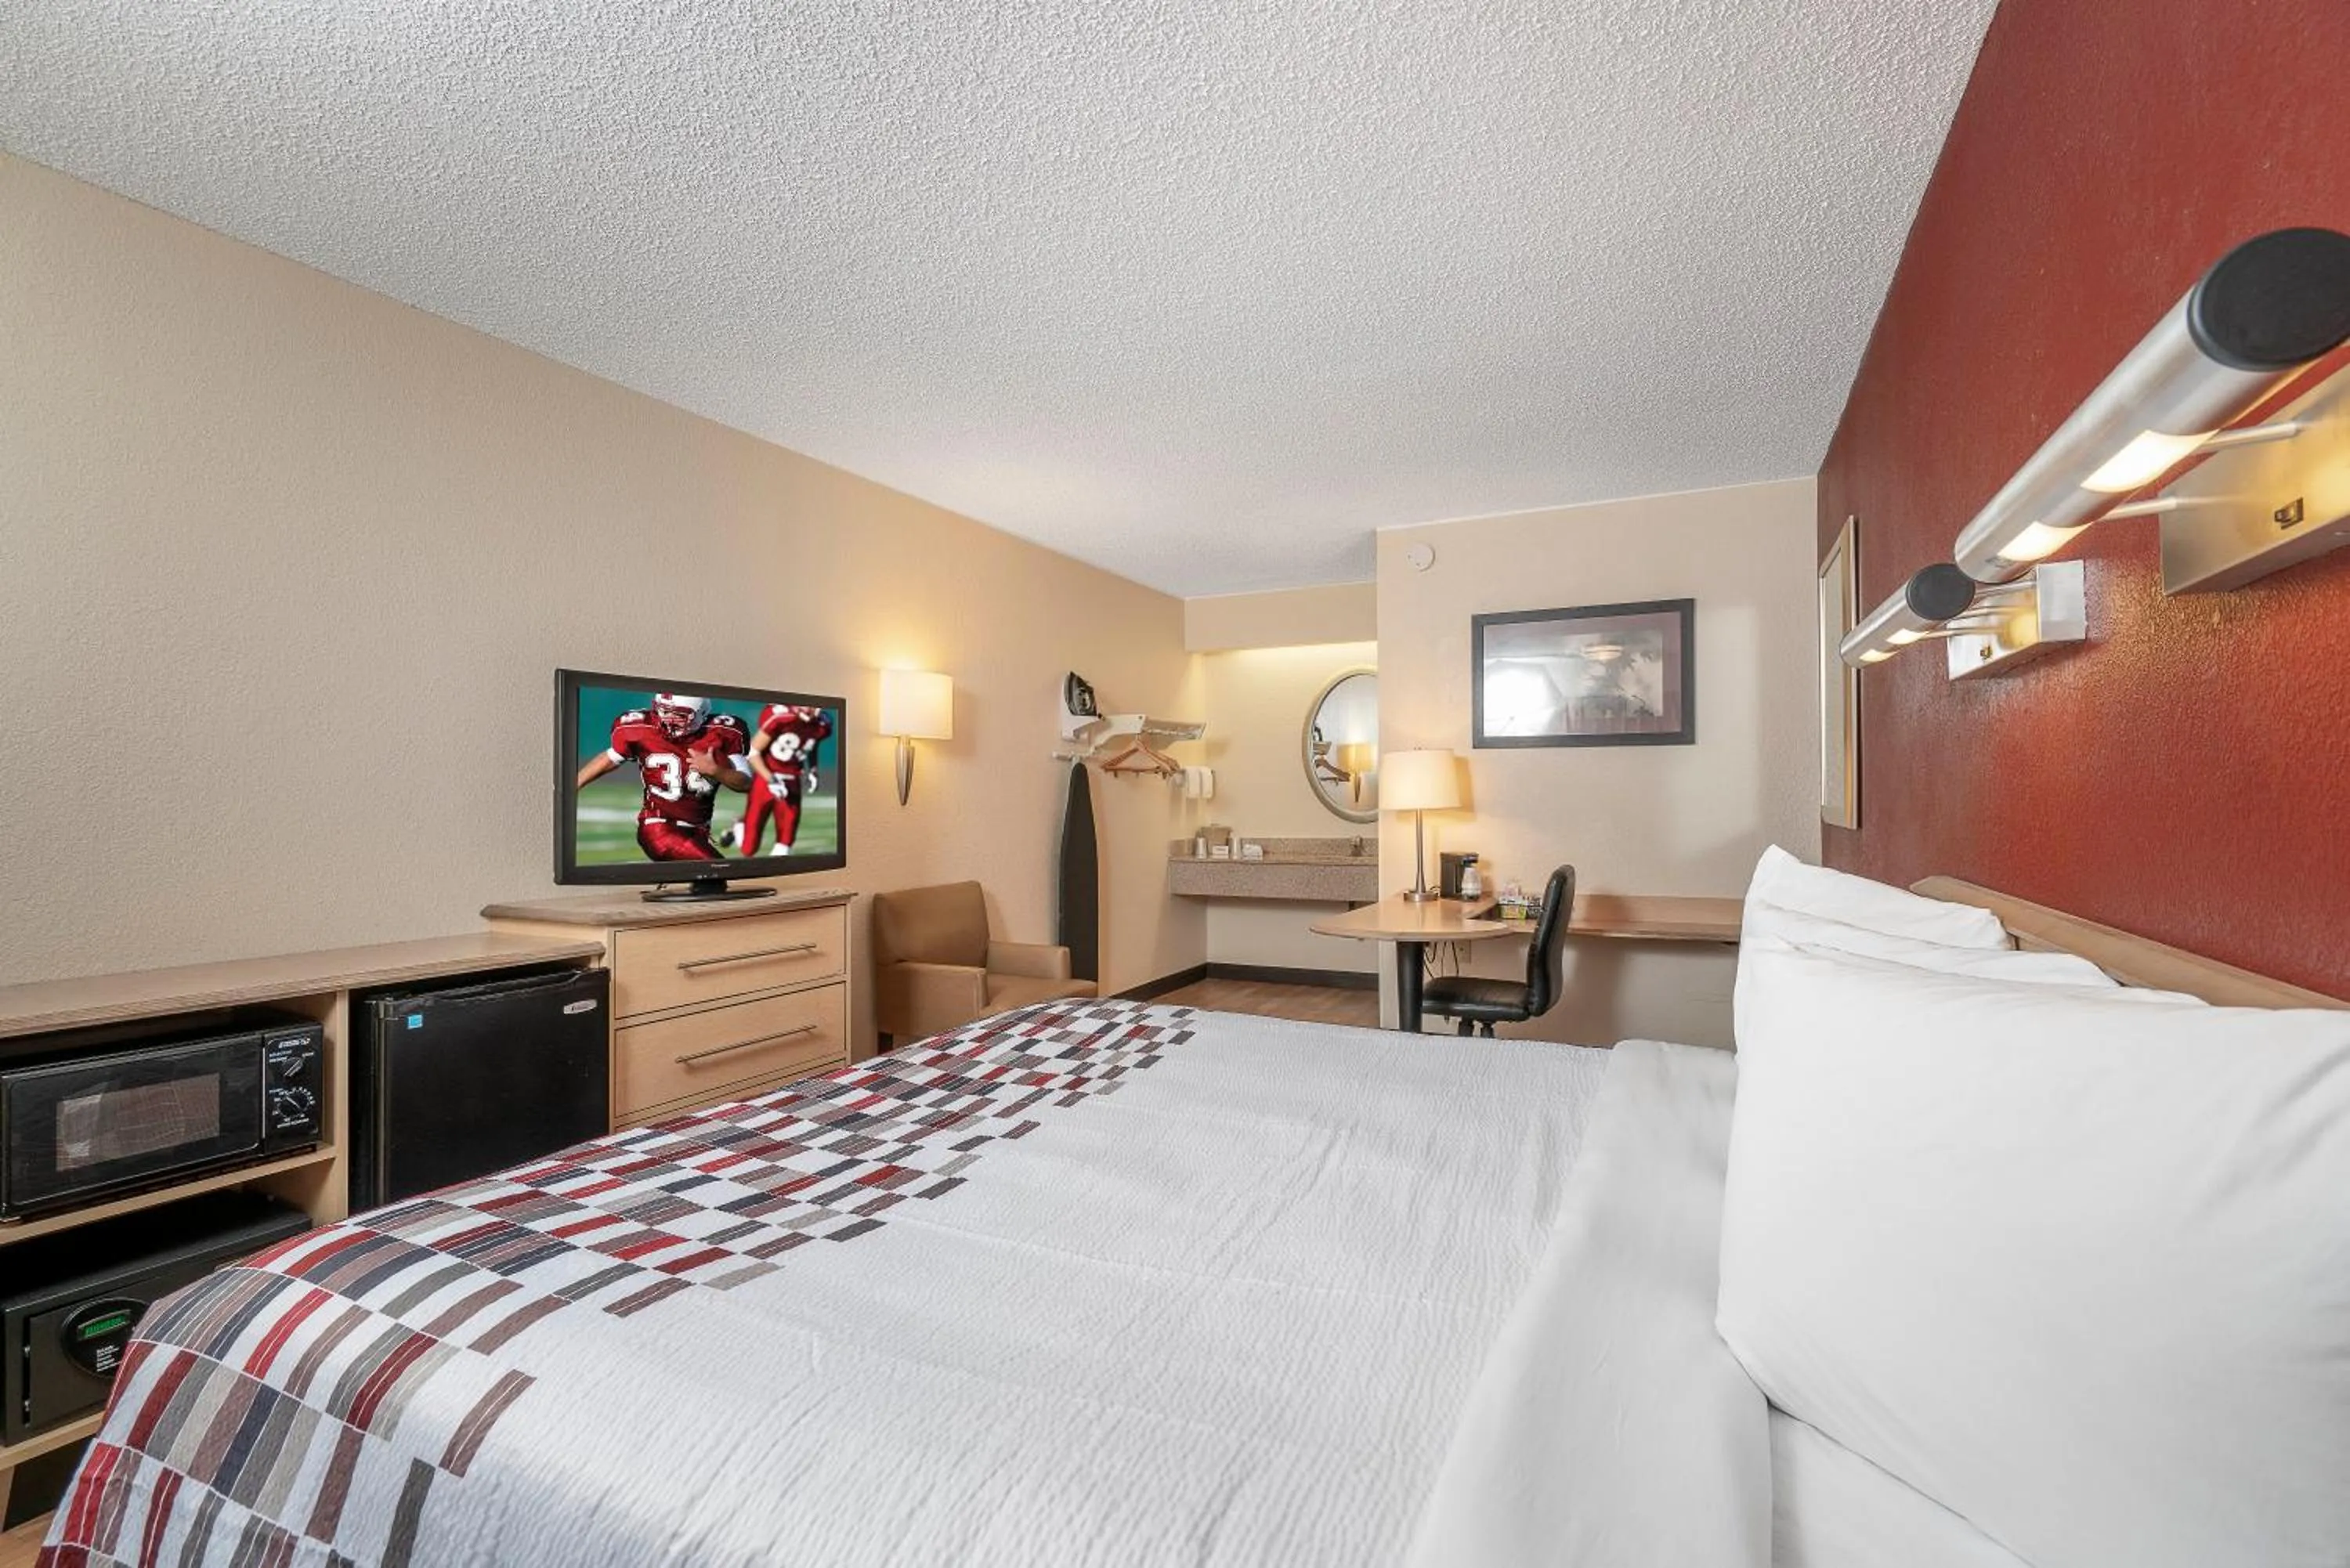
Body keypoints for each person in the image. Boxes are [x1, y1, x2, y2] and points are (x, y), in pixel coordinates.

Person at [575, 693, 751, 862]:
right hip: (658, 827)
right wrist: (573, 784)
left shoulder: (723, 733)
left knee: (710, 884)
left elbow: (746, 784)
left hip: (699, 830)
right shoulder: (641, 728)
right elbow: (611, 758)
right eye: (664, 711)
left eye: (679, 715)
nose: (668, 719)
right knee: (717, 868)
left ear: (701, 715)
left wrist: (716, 771)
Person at [725, 703, 834, 855]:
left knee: (785, 845)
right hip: (766, 779)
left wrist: (813, 769)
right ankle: (739, 826)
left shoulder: (822, 724)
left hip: (792, 780)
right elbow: (753, 752)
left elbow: (810, 744)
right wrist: (771, 780)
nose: (809, 709)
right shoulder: (780, 718)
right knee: (748, 850)